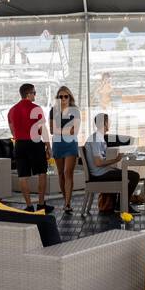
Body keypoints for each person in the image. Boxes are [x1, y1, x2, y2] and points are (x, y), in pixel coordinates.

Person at [83, 112, 141, 211]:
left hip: (103, 171)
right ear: (104, 124)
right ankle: (123, 204)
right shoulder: (95, 139)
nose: (109, 123)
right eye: (108, 121)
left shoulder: (100, 137)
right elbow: (98, 162)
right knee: (134, 176)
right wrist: (116, 159)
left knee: (123, 172)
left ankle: (120, 203)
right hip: (99, 175)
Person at [8, 82, 49, 210]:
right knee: (42, 173)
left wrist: (19, 138)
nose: (35, 95)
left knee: (23, 176)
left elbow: (12, 130)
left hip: (19, 144)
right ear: (28, 94)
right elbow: (42, 129)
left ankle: (29, 206)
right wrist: (48, 145)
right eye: (34, 93)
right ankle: (41, 204)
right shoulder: (36, 108)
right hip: (35, 143)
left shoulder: (12, 110)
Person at [50, 86, 81, 215]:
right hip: (58, 144)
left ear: (70, 97)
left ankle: (67, 203)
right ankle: (65, 199)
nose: (63, 98)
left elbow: (75, 130)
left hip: (71, 145)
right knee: (61, 174)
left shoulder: (75, 111)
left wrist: (60, 130)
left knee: (68, 173)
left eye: (65, 96)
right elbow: (52, 130)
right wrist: (66, 131)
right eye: (60, 96)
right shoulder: (53, 110)